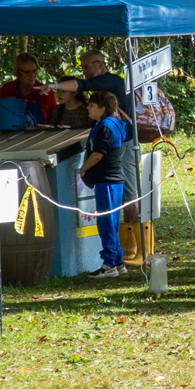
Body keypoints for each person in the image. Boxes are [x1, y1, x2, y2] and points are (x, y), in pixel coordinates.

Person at [79, 89, 132, 278]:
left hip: (107, 181)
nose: (88, 108)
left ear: (102, 109)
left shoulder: (106, 126)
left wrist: (83, 168)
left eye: (92, 105)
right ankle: (117, 261)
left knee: (106, 222)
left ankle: (109, 263)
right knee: (112, 222)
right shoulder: (113, 123)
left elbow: (99, 153)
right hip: (113, 181)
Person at [0, 54, 54, 131]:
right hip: (12, 139)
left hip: (38, 138)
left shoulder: (46, 92)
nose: (32, 75)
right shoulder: (8, 89)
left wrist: (46, 128)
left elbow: (55, 121)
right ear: (18, 72)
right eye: (27, 72)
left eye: (34, 71)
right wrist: (6, 106)